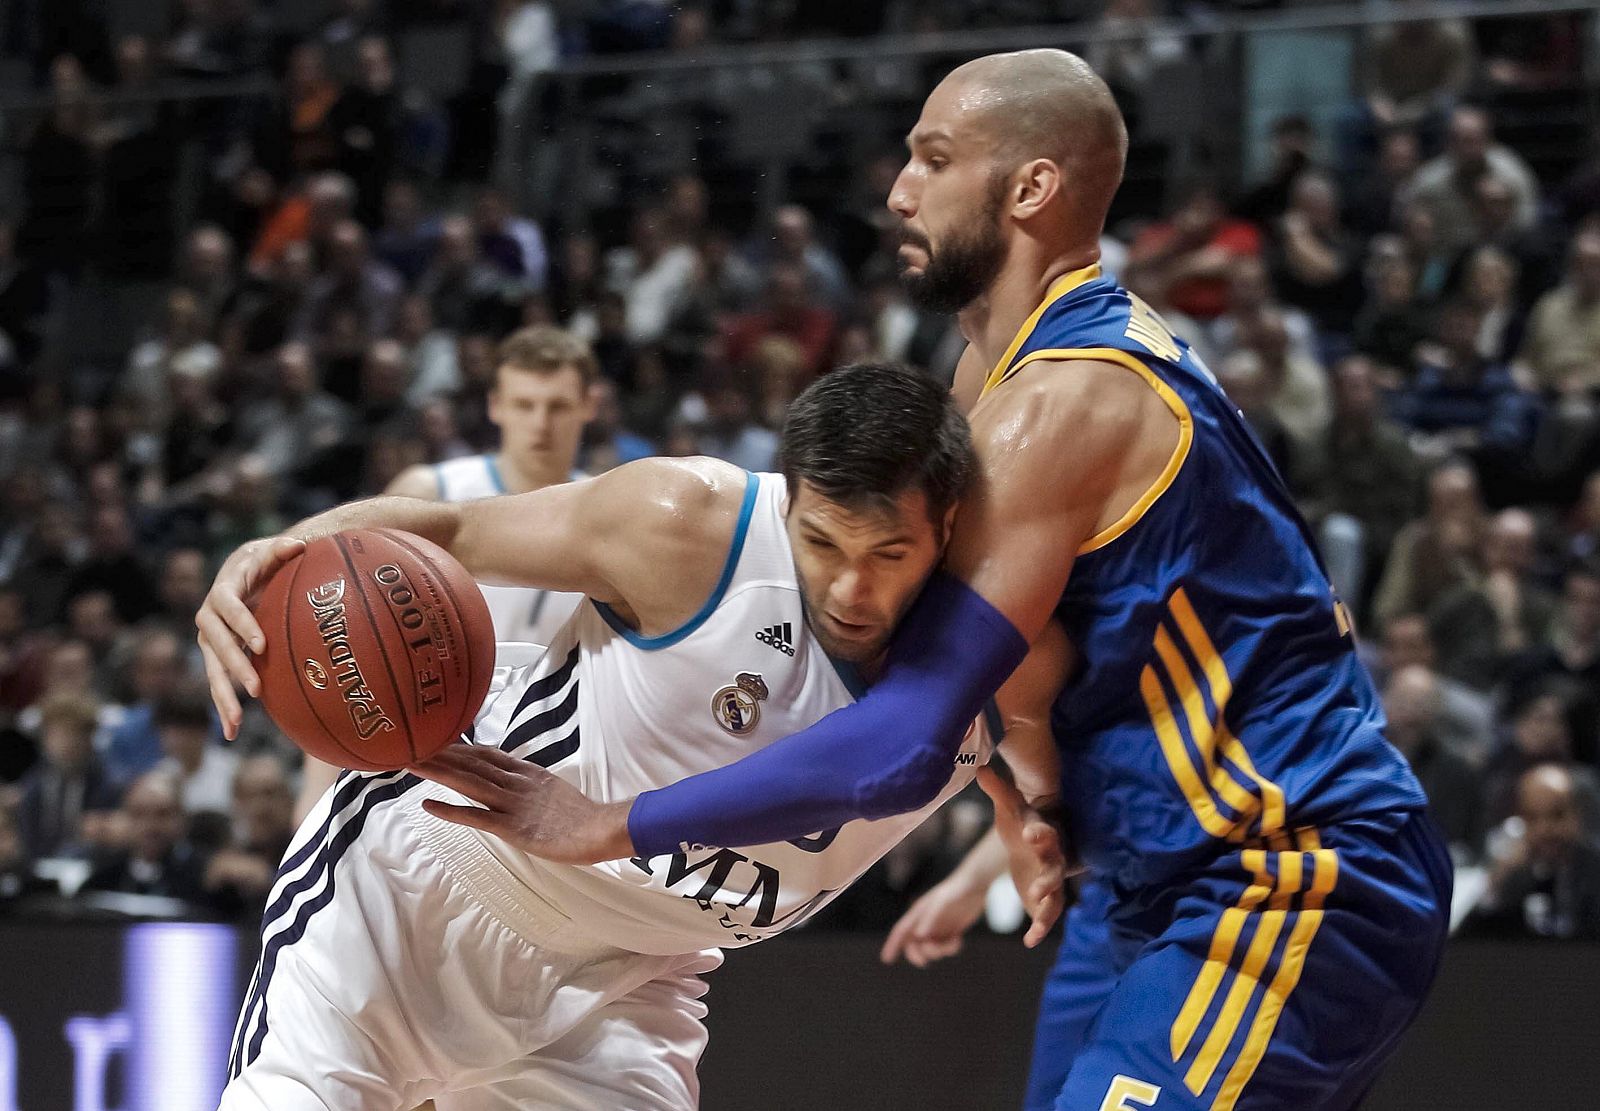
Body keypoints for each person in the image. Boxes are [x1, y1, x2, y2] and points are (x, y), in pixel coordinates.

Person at [428, 51, 1449, 1111]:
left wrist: (611, 821)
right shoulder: (1001, 374)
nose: (897, 189)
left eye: (932, 157)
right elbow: (1018, 668)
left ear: (1031, 189)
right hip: (1162, 879)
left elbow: (909, 736)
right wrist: (1030, 798)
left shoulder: (1064, 401)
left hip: (1287, 875)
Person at [195, 363, 1068, 1109]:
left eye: (888, 554)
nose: (849, 587)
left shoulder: (1009, 657)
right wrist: (275, 553)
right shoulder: (683, 523)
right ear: (790, 498)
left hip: (628, 975)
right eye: (821, 541)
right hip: (431, 879)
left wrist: (1019, 815)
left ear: (946, 530)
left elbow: (987, 753)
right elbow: (456, 531)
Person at [293, 325, 598, 820]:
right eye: (524, 405)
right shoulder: (430, 491)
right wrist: (316, 790)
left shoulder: (606, 512)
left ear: (590, 405)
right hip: (412, 752)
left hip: (544, 770)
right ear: (495, 406)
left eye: (558, 406)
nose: (541, 423)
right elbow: (342, 641)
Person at [1465, 763, 1600, 940]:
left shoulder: (1594, 870)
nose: (1544, 829)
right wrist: (1497, 885)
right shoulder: (1514, 875)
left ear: (1578, 815)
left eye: (1557, 815)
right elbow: (1472, 941)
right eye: (1532, 817)